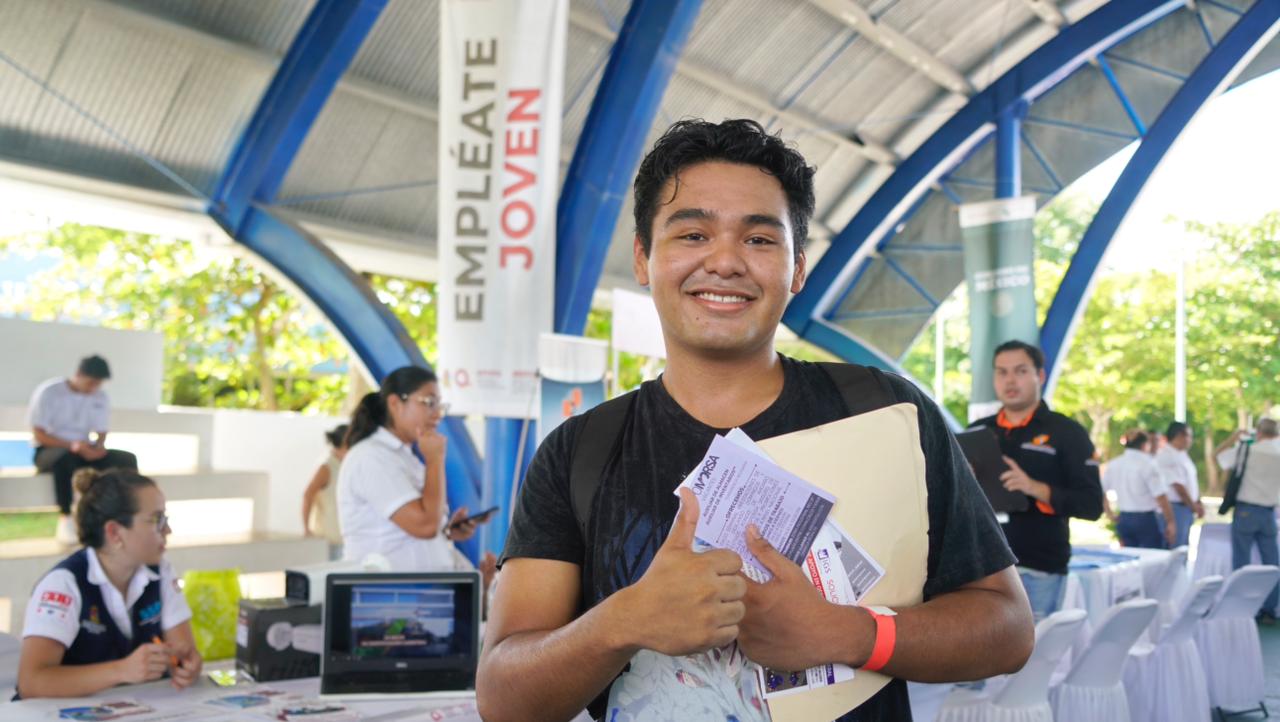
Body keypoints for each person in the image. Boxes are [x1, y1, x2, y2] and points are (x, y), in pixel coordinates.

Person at [478, 119, 1033, 722]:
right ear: (644, 258)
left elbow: (1007, 628)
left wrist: (850, 634)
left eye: (760, 240)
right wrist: (622, 621)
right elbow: (505, 700)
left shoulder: (887, 414)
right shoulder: (580, 451)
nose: (724, 261)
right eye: (692, 233)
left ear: (797, 269)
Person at [15, 468, 201, 699]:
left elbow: (183, 650)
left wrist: (187, 664)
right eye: (156, 520)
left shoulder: (161, 570)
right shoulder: (63, 584)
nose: (168, 530)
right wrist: (122, 670)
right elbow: (31, 683)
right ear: (114, 533)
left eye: (166, 519)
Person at [968, 340, 1104, 622]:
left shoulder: (1067, 432)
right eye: (1001, 372)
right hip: (979, 570)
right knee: (985, 664)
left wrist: (1033, 487)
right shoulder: (976, 433)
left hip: (1039, 569)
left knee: (1036, 661)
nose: (1010, 380)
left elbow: (1091, 505)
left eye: (1020, 371)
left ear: (1039, 376)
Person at [336, 367, 487, 572]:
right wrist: (435, 460)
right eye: (429, 403)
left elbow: (405, 533)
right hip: (387, 596)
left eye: (440, 405)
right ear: (395, 403)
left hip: (417, 595)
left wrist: (447, 531)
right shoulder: (372, 457)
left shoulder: (404, 456)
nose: (437, 414)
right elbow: (424, 526)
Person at [28, 355, 139, 544]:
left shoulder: (100, 396)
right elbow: (39, 434)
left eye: (98, 384)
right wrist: (72, 445)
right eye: (91, 383)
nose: (93, 388)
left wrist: (98, 447)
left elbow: (101, 431)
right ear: (78, 374)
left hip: (84, 450)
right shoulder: (50, 392)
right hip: (51, 451)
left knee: (127, 459)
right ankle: (66, 518)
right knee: (65, 460)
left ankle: (127, 511)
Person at [1216, 418, 1280, 625]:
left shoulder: (1247, 450)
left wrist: (1234, 438)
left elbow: (1219, 457)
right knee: (1272, 563)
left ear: (1258, 432)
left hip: (1246, 510)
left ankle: (1240, 607)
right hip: (1269, 513)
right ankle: (1269, 609)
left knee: (1242, 562)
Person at [1102, 430, 1176, 549]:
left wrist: (1109, 513)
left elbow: (1102, 491)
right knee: (1152, 559)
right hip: (1146, 519)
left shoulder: (1114, 464)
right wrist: (1171, 522)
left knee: (1130, 559)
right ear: (1144, 445)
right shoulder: (1148, 464)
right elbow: (1161, 496)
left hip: (1124, 518)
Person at [1155, 421, 1203, 548]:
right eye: (1189, 436)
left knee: (1183, 548)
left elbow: (1191, 481)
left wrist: (1198, 501)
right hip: (1176, 508)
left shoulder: (1182, 454)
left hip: (1186, 508)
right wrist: (1193, 506)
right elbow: (1178, 487)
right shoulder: (1166, 455)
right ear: (1180, 436)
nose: (1190, 440)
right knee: (1175, 549)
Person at [302, 424, 348, 550]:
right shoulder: (326, 467)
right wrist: (306, 529)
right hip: (330, 542)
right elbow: (308, 494)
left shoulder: (345, 465)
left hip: (343, 540)